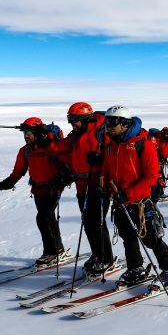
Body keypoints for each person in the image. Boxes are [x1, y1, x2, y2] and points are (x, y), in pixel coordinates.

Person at [101, 106, 168, 285]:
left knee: (150, 238)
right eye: (107, 122)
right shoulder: (112, 145)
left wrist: (127, 194)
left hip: (139, 202)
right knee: (127, 237)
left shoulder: (144, 144)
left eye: (113, 122)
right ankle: (135, 268)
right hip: (120, 202)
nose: (109, 126)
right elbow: (107, 169)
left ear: (125, 124)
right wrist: (104, 185)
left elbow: (151, 177)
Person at [0, 117, 67, 266]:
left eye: (30, 132)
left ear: (39, 133)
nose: (26, 135)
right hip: (38, 190)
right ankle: (58, 249)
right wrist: (2, 185)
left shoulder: (51, 146)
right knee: (48, 218)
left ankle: (51, 253)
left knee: (43, 219)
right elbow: (17, 173)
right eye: (25, 132)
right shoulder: (25, 151)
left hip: (53, 188)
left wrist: (62, 180)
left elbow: (67, 162)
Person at [58, 102, 115, 276]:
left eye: (74, 119)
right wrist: (46, 137)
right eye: (69, 119)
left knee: (97, 222)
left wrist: (100, 160)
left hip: (99, 185)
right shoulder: (75, 135)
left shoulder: (101, 131)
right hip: (82, 187)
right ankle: (97, 255)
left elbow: (113, 154)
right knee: (88, 222)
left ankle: (106, 258)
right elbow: (59, 148)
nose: (71, 123)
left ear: (84, 118)